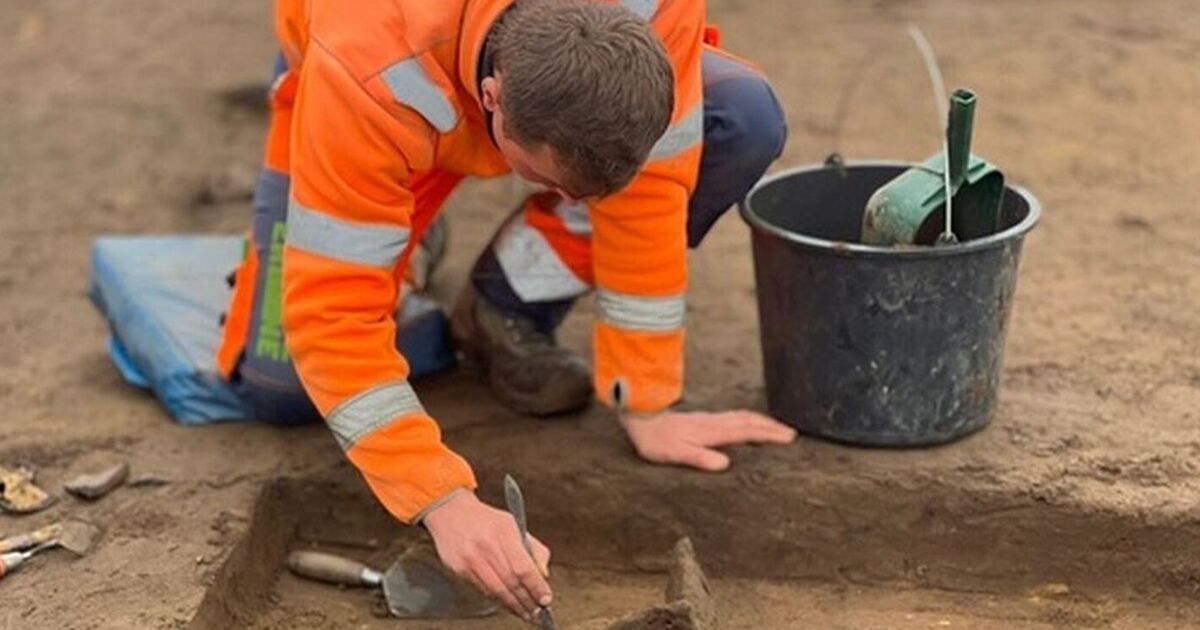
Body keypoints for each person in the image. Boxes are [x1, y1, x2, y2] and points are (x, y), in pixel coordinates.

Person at [214, 0, 796, 621]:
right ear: (492, 96)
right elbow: (329, 316)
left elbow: (649, 191)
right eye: (548, 181)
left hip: (480, 84)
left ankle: (504, 303)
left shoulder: (652, 7)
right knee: (282, 388)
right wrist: (442, 500)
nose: (573, 204)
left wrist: (645, 395)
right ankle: (396, 232)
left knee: (740, 116)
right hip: (376, 102)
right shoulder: (367, 63)